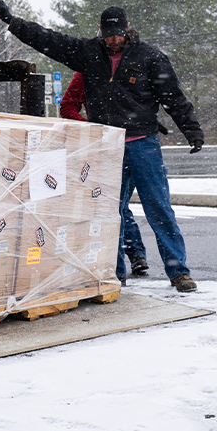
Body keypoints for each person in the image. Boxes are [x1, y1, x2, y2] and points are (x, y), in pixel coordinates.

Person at [0, 0, 204, 292]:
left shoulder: (150, 58)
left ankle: (179, 272)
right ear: (101, 31)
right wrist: (13, 21)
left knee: (159, 208)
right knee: (108, 211)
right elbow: (50, 40)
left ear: (128, 29)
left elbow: (173, 97)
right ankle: (114, 272)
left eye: (119, 34)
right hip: (107, 147)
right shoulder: (88, 54)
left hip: (142, 144)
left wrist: (192, 130)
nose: (114, 40)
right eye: (108, 34)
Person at [59, 52, 172, 280]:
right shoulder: (89, 71)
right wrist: (95, 130)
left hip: (138, 144)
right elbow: (68, 107)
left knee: (122, 206)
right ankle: (125, 261)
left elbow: (140, 102)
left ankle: (137, 258)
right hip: (106, 148)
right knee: (113, 206)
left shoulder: (135, 70)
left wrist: (145, 120)